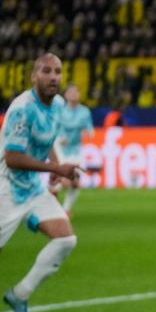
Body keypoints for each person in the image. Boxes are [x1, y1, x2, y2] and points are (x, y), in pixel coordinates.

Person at [2, 54, 81, 312]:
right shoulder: (22, 108)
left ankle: (20, 295)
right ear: (34, 76)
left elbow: (47, 139)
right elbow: (12, 158)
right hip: (7, 188)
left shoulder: (58, 104)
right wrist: (55, 166)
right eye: (46, 71)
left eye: (58, 71)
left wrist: (57, 168)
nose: (53, 77)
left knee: (66, 239)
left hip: (34, 189)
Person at [53, 83, 94, 215]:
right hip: (61, 149)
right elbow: (55, 127)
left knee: (75, 183)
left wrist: (90, 133)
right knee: (66, 181)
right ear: (66, 95)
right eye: (71, 92)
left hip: (76, 150)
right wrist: (60, 138)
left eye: (76, 92)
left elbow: (89, 128)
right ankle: (52, 189)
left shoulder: (85, 112)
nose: (74, 95)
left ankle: (65, 208)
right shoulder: (61, 111)